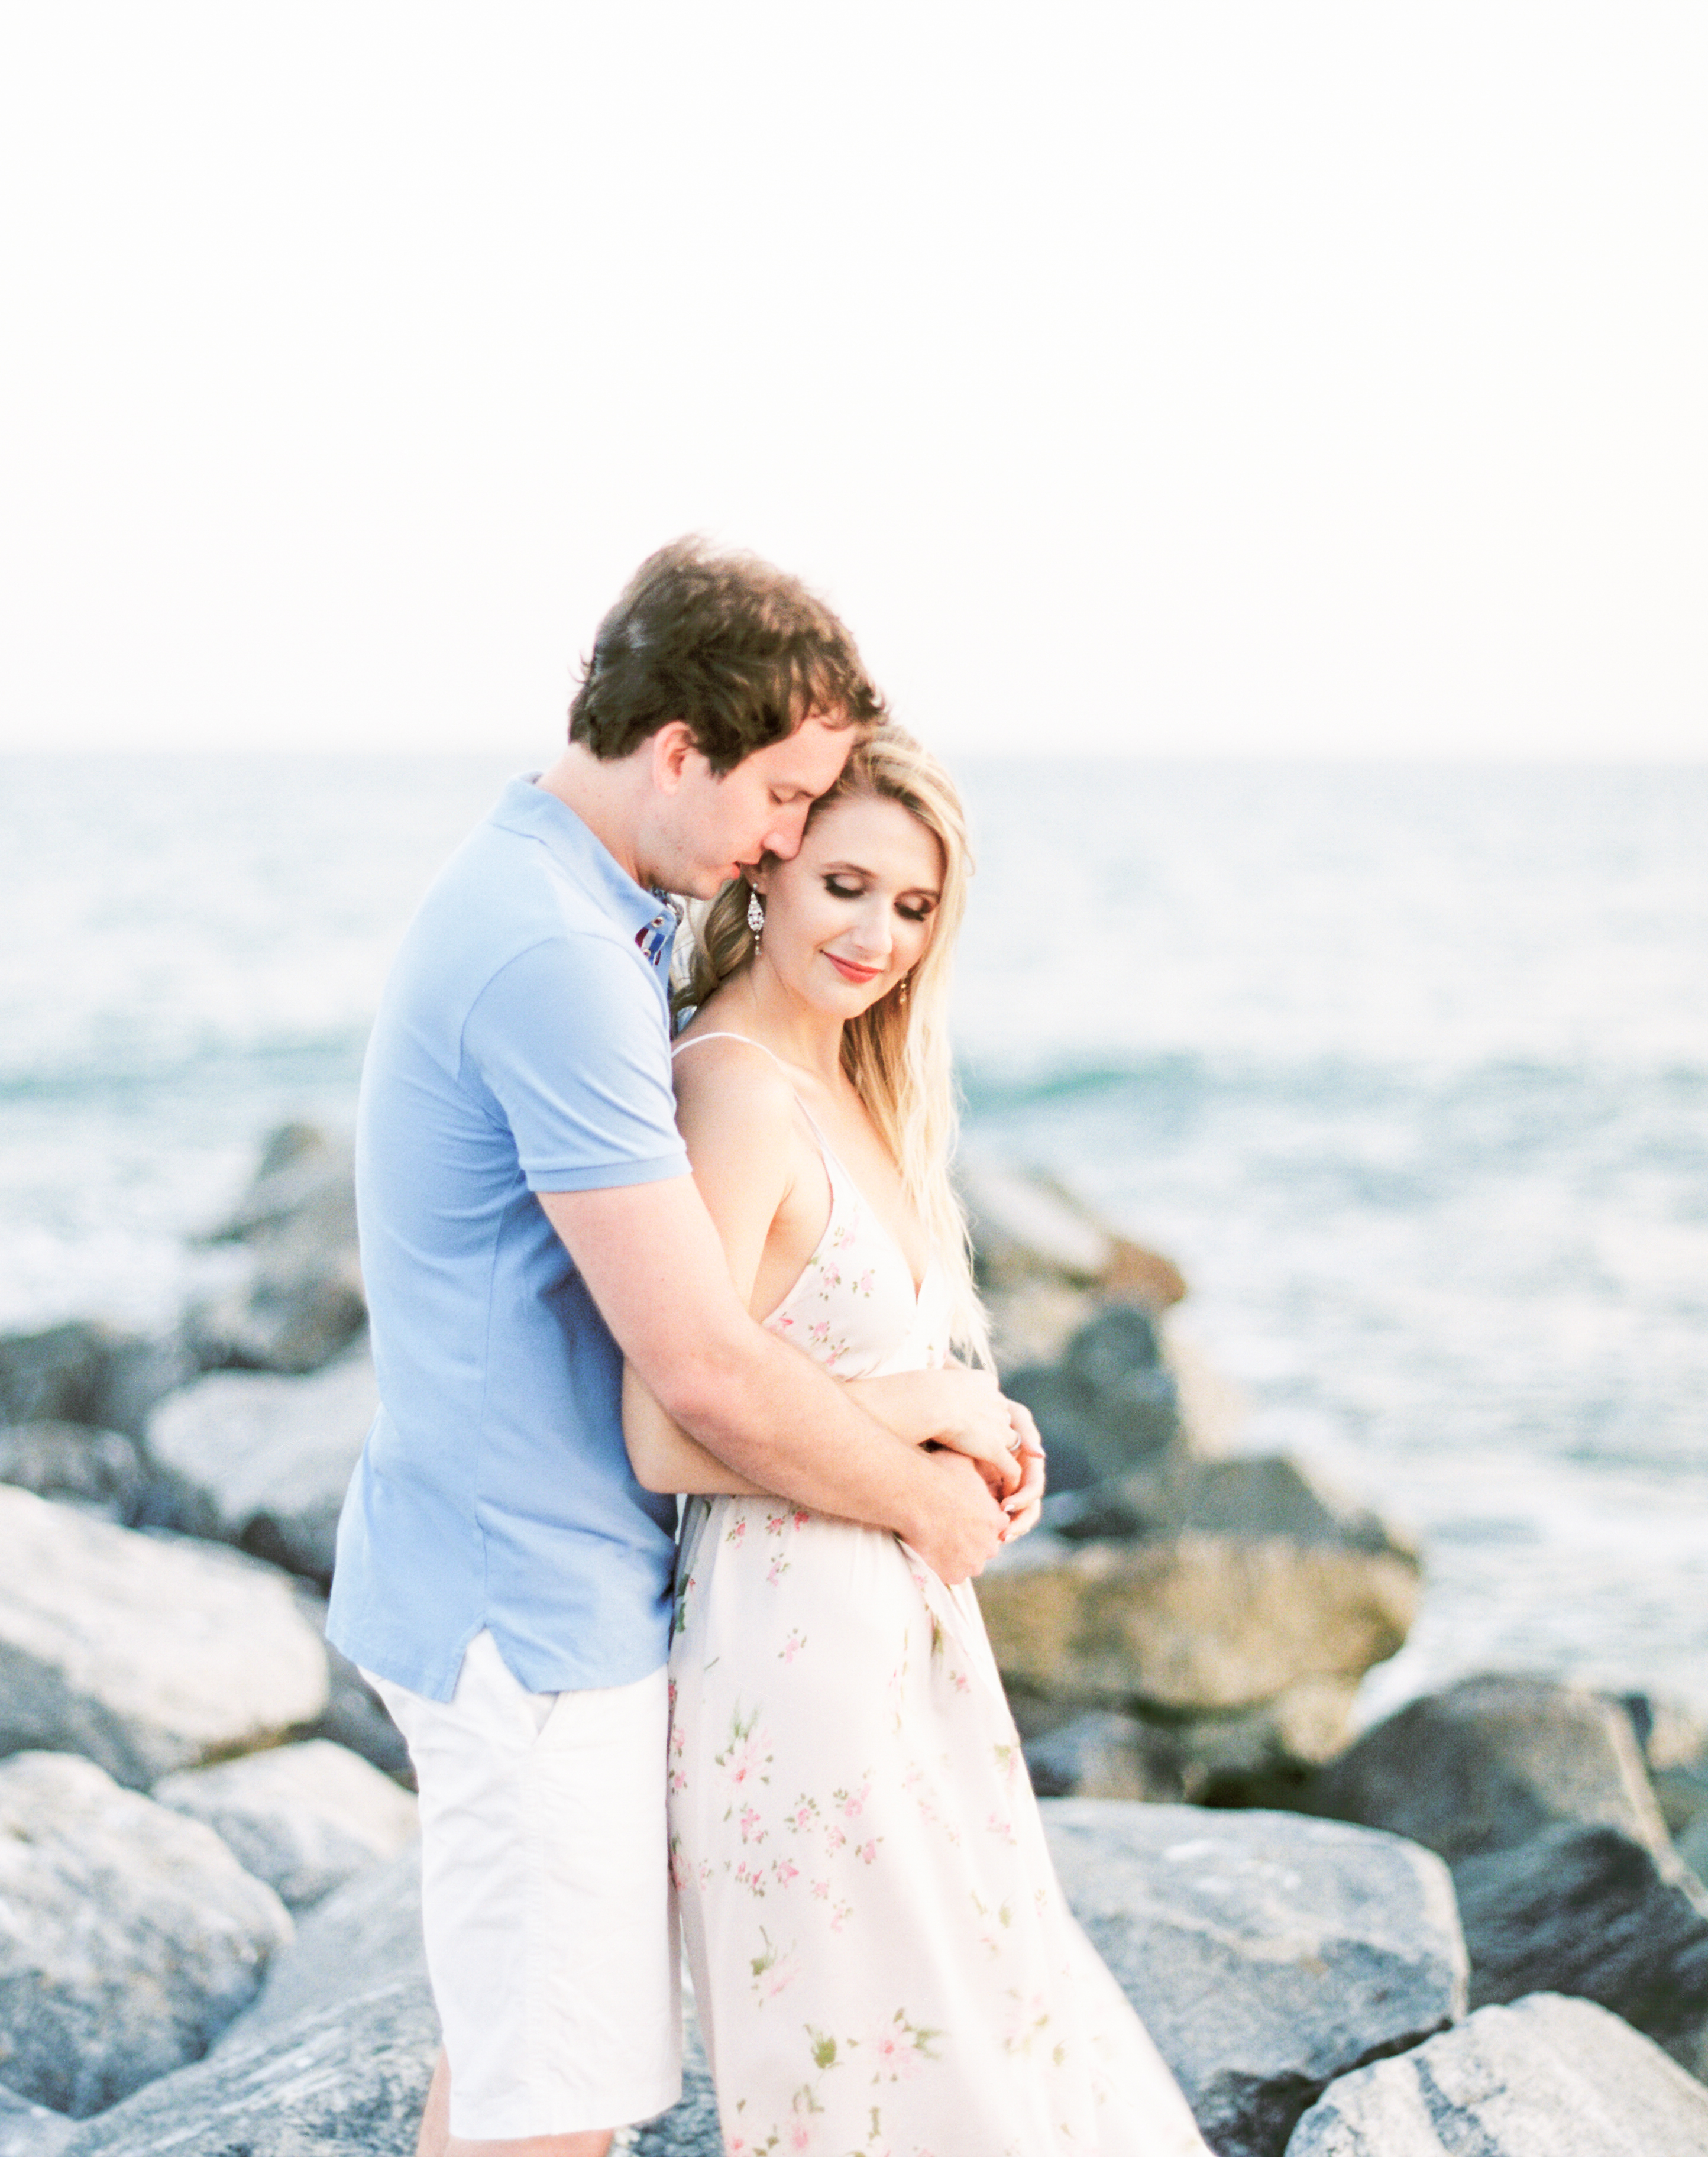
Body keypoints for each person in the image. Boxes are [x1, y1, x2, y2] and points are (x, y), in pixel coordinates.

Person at [326, 539, 1037, 2157]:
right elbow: (698, 1374)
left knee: (518, 2080)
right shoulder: (559, 958)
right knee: (553, 2120)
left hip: (531, 1580)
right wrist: (921, 1486)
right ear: (676, 753)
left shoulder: (580, 901)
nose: (789, 842)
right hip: (525, 1608)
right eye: (783, 805)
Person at [629, 726, 1212, 2154]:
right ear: (764, 873)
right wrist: (924, 1414)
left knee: (999, 2051)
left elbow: (812, 1361)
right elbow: (666, 1425)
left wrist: (968, 1442)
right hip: (792, 1657)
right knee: (894, 2091)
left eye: (913, 907)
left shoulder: (853, 1085)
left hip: (895, 1639)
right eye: (846, 884)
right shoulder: (734, 1088)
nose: (876, 934)